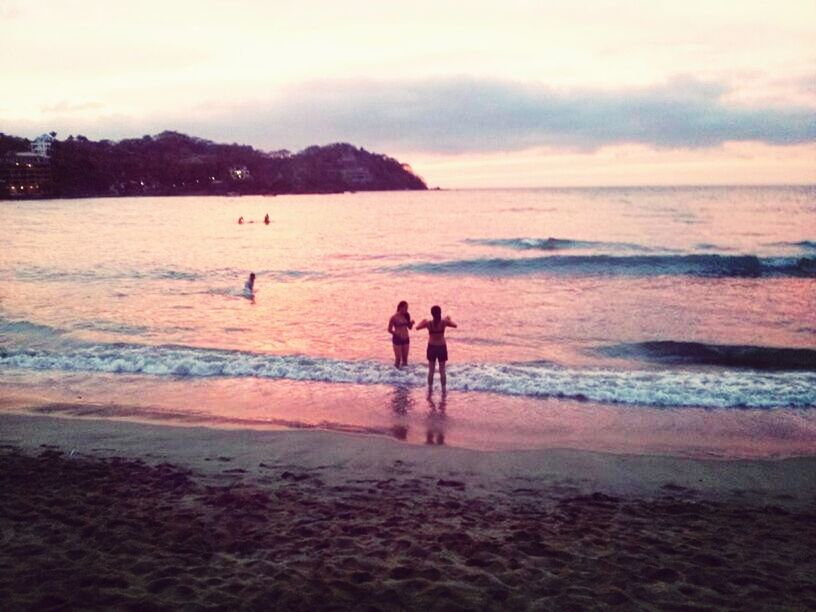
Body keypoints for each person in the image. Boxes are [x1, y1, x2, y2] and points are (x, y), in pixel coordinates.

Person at [416, 305, 457, 392]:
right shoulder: (444, 322)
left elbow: (417, 327)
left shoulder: (428, 323)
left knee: (431, 370)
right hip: (441, 347)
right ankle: (443, 389)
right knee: (442, 370)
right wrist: (448, 319)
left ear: (432, 314)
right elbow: (455, 325)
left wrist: (423, 320)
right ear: (440, 313)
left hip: (432, 347)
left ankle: (430, 389)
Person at [387, 301, 414, 368]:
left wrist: (411, 323)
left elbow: (409, 327)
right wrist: (395, 333)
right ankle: (395, 375)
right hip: (397, 338)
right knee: (398, 359)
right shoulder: (394, 317)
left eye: (407, 308)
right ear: (400, 308)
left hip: (406, 338)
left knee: (405, 360)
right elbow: (389, 330)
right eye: (405, 308)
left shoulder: (407, 315)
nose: (407, 309)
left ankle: (404, 376)